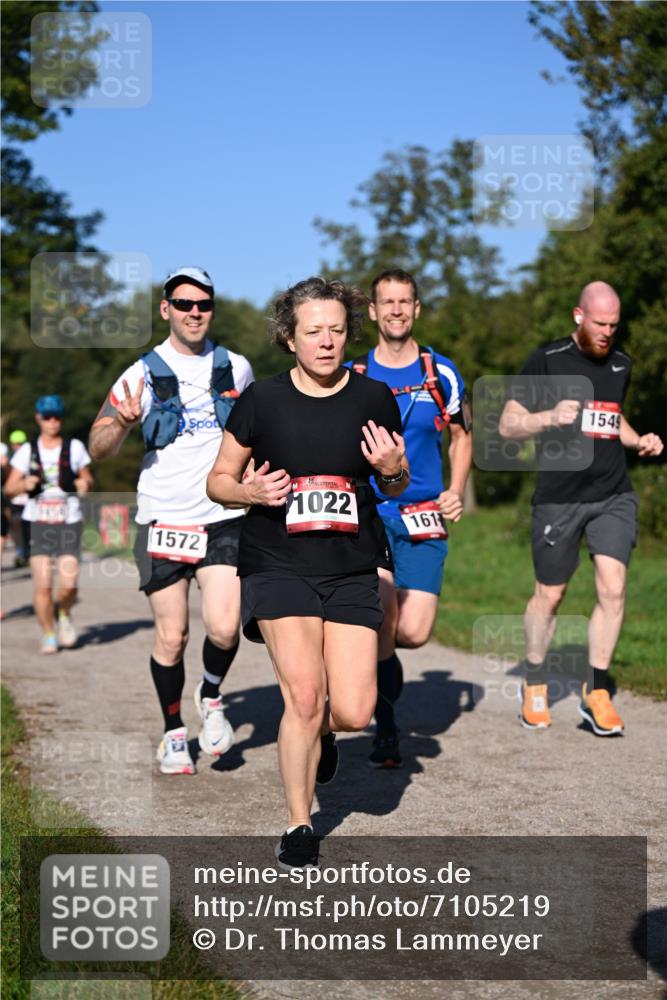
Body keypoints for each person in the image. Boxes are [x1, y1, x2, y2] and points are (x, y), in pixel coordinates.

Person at [206, 276, 408, 869]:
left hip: (351, 566)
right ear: (289, 338)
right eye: (314, 331)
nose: (326, 341)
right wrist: (248, 492)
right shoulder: (261, 401)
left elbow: (395, 484)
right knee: (303, 695)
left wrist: (392, 470)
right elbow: (217, 482)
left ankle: (322, 733)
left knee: (354, 711)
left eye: (337, 331)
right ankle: (300, 823)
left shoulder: (374, 398)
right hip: (277, 562)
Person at [88, 266, 254, 774]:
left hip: (222, 515)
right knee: (172, 635)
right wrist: (121, 422)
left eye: (203, 304)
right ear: (166, 309)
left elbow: (254, 434)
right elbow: (97, 446)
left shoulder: (237, 368)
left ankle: (211, 694)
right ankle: (173, 733)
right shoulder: (140, 372)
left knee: (224, 627)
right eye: (184, 304)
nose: (194, 312)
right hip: (163, 518)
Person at [499, 281, 663, 735]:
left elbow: (612, 415)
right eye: (600, 324)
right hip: (560, 498)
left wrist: (638, 440)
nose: (608, 332)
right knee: (550, 594)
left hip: (613, 494)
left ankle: (597, 691)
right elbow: (508, 424)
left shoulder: (621, 363)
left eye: (614, 325)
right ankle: (535, 682)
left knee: (613, 587)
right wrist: (548, 417)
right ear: (579, 316)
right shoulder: (547, 360)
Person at [350, 269, 472, 767]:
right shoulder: (355, 376)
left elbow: (461, 436)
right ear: (373, 311)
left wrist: (455, 489)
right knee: (382, 609)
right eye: (387, 302)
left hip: (424, 514)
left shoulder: (440, 373)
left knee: (413, 631)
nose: (397, 310)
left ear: (416, 309)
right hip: (373, 514)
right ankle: (386, 728)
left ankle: (366, 663)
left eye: (405, 302)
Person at [4, 396, 93, 653]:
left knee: (69, 585)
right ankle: (48, 633)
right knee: (43, 586)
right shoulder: (27, 450)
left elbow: (88, 479)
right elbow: (9, 488)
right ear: (38, 419)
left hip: (68, 521)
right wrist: (23, 484)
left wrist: (84, 484)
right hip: (38, 522)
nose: (52, 422)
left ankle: (64, 613)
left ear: (61, 419)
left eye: (57, 417)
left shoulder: (74, 447)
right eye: (47, 417)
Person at [8, 429, 30, 565]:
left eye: (20, 443)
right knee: (16, 528)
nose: (17, 446)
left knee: (28, 528)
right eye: (15, 444)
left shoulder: (30, 456)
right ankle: (20, 553)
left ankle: (27, 552)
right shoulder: (9, 459)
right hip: (15, 500)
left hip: (28, 499)